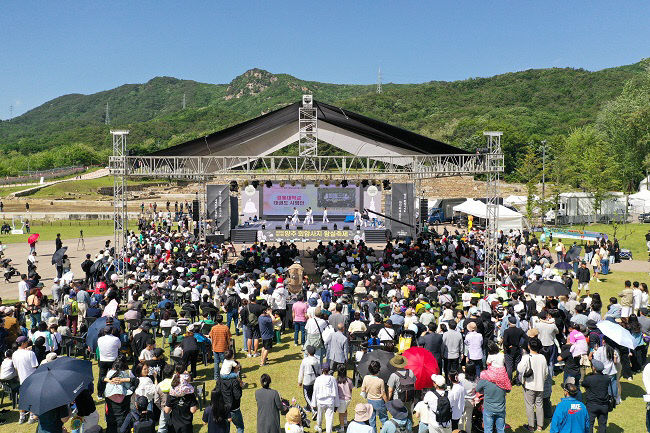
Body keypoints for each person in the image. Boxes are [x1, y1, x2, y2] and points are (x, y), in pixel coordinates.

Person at [517, 337, 547, 432]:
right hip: (540, 385)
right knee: (539, 405)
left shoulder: (526, 357)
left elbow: (520, 369)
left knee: (529, 405)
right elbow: (546, 373)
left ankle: (531, 426)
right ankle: (540, 426)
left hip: (529, 385)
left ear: (529, 346)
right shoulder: (542, 357)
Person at [13, 336, 38, 424]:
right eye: (26, 342)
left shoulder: (14, 354)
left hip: (22, 379)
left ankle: (21, 417)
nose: (28, 343)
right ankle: (31, 417)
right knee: (32, 398)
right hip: (32, 378)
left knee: (23, 398)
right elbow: (35, 365)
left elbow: (16, 367)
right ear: (23, 343)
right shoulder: (30, 353)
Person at [581, 359, 610, 433]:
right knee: (602, 425)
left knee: (589, 424)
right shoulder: (607, 378)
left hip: (592, 405)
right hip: (604, 405)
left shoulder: (589, 379)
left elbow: (583, 384)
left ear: (594, 368)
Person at [361, 360, 388, 433]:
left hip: (370, 401)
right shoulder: (380, 381)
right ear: (378, 369)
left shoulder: (366, 378)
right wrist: (387, 403)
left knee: (371, 420)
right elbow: (383, 394)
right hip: (379, 401)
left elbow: (363, 389)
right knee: (384, 419)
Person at [312, 365, 339, 433]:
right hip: (330, 401)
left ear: (322, 370)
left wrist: (314, 403)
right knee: (329, 418)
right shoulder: (332, 379)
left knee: (319, 415)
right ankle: (328, 431)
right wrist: (336, 404)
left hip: (320, 402)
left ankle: (319, 427)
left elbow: (315, 391)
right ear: (329, 370)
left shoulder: (318, 379)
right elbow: (336, 391)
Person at [298, 345, 321, 414]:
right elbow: (319, 371)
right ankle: (308, 407)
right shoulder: (317, 360)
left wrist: (300, 381)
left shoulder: (305, 361)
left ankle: (313, 409)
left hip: (307, 381)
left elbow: (301, 372)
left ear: (308, 352)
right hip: (314, 380)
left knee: (307, 396)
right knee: (312, 394)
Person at [209, 314, 231, 379]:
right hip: (223, 348)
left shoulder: (213, 328)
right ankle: (225, 375)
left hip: (215, 347)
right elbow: (228, 338)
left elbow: (210, 336)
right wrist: (229, 346)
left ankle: (216, 376)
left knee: (216, 363)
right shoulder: (226, 328)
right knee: (224, 363)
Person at [336, 364, 353, 431]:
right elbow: (351, 389)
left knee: (341, 414)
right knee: (345, 410)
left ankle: (342, 428)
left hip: (341, 400)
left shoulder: (336, 381)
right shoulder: (349, 380)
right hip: (348, 399)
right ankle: (345, 422)